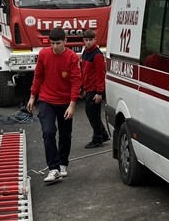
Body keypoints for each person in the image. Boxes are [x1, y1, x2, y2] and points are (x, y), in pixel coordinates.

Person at [27, 28, 82, 184]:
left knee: (65, 135)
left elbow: (76, 82)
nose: (55, 47)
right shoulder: (44, 55)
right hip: (46, 100)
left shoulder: (72, 57)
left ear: (65, 41)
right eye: (52, 44)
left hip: (65, 102)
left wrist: (72, 105)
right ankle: (54, 168)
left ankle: (63, 163)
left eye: (58, 43)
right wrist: (32, 96)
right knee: (48, 131)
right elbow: (38, 76)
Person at [80, 28, 108, 148]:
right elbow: (84, 71)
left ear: (95, 39)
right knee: (91, 113)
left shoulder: (97, 55)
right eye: (86, 40)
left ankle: (97, 139)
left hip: (94, 89)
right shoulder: (85, 52)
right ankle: (103, 134)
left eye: (90, 40)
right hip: (88, 87)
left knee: (93, 115)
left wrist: (99, 92)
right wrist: (82, 87)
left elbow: (100, 74)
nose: (88, 42)